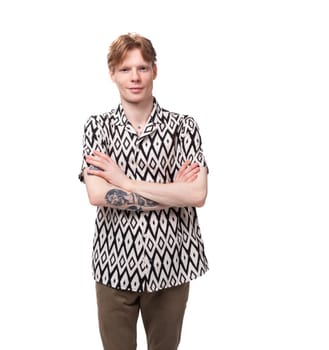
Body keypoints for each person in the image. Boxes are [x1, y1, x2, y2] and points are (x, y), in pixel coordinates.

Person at [79, 32, 209, 350]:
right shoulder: (97, 127)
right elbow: (97, 194)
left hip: (172, 263)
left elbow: (197, 195)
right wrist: (171, 192)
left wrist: (124, 183)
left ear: (155, 70)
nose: (135, 77)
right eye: (125, 69)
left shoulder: (183, 127)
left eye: (142, 68)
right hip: (114, 264)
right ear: (112, 74)